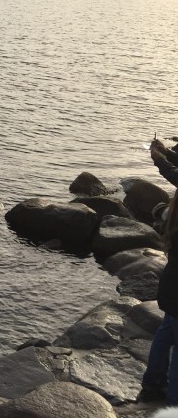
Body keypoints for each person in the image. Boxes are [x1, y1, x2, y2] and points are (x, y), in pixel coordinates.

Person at [140, 138, 178, 404]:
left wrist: (162, 157)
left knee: (167, 330)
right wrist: (164, 158)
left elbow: (174, 174)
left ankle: (152, 385)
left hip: (172, 284)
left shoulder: (173, 222)